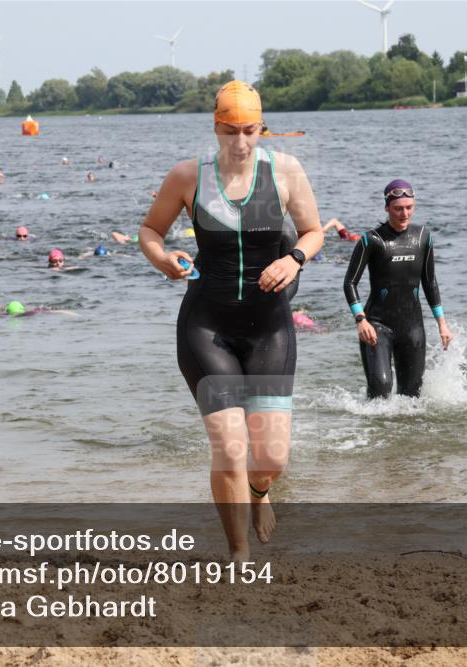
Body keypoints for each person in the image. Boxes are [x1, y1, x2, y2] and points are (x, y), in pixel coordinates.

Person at [139, 80, 324, 562]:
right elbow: (150, 231)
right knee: (229, 446)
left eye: (249, 131)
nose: (240, 143)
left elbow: (313, 230)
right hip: (206, 326)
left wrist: (296, 259)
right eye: (229, 132)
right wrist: (163, 260)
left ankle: (260, 495)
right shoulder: (188, 176)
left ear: (261, 127)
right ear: (215, 127)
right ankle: (237, 551)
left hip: (269, 329)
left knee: (269, 463)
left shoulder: (285, 170)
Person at [343, 179, 454, 399]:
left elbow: (430, 282)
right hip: (377, 326)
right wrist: (360, 320)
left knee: (411, 398)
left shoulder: (423, 237)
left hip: (412, 327)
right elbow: (350, 282)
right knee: (380, 390)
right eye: (398, 209)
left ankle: (408, 435)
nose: (404, 214)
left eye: (409, 208)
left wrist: (442, 323)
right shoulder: (371, 240)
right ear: (387, 207)